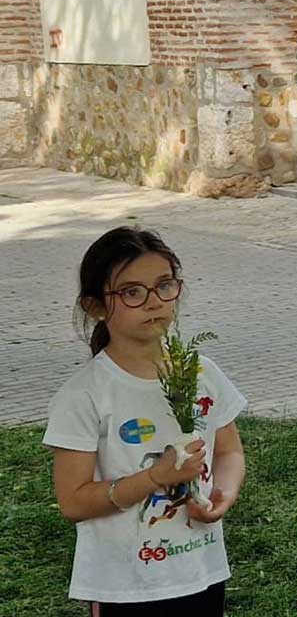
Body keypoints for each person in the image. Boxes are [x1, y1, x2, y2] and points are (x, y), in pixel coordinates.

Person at [46, 227, 248, 615]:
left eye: (164, 286)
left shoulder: (202, 374)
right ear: (96, 307)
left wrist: (224, 493)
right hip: (126, 588)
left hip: (201, 571)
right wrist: (154, 479)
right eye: (132, 292)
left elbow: (229, 451)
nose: (154, 302)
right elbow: (73, 502)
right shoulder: (85, 394)